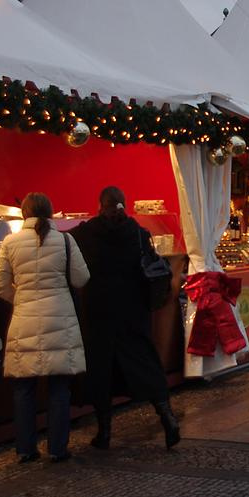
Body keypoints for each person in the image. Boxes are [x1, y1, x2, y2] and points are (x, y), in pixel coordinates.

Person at [71, 186, 181, 450]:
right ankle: (167, 416)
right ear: (124, 204)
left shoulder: (87, 232)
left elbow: (66, 244)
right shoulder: (138, 233)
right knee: (144, 362)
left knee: (101, 370)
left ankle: (104, 432)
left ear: (101, 204)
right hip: (133, 311)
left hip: (99, 312)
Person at [0, 192, 89, 463]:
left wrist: (20, 297)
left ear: (24, 213)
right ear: (50, 212)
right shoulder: (66, 240)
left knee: (24, 389)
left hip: (24, 319)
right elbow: (81, 278)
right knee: (59, 389)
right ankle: (58, 449)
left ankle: (25, 449)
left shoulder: (10, 242)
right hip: (61, 319)